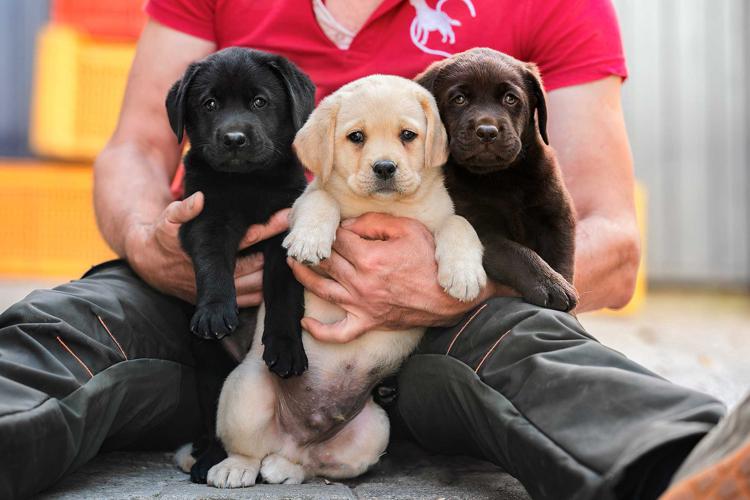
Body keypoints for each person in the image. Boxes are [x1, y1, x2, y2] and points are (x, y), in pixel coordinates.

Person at [0, 1, 746, 499]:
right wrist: (144, 238)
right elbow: (132, 146)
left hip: (439, 326)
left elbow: (611, 238)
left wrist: (459, 286)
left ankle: (697, 465)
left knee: (529, 346)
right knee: (80, 320)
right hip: (224, 304)